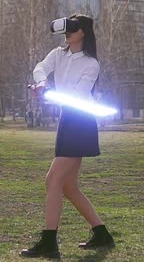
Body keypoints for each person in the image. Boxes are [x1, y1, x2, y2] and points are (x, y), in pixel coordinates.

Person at [20, 14, 115, 259]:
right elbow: (39, 68)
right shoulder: (58, 55)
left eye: (72, 30)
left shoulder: (91, 64)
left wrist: (47, 93)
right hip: (67, 121)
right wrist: (41, 83)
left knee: (52, 180)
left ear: (83, 32)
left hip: (80, 123)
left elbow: (76, 95)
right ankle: (102, 234)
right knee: (69, 187)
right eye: (65, 31)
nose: (67, 35)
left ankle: (49, 241)